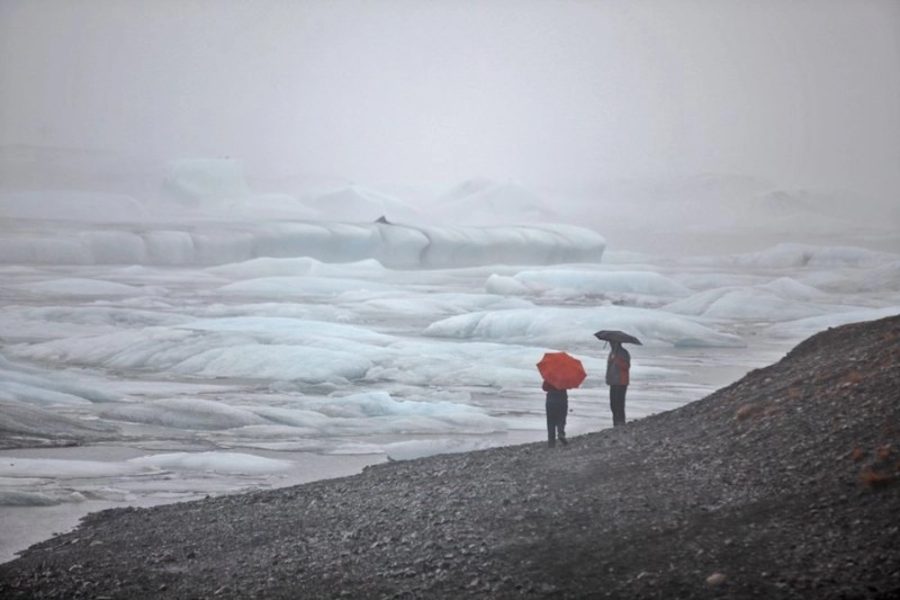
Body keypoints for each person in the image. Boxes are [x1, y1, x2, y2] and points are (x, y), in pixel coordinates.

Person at [605, 341, 631, 426]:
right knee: (613, 403)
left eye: (611, 343)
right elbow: (609, 367)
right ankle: (615, 421)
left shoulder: (623, 353)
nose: (610, 344)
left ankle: (620, 421)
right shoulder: (612, 353)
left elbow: (626, 366)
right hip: (613, 381)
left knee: (619, 402)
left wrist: (617, 360)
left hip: (621, 381)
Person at [542, 380, 568, 447]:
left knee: (550, 422)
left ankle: (551, 442)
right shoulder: (565, 377)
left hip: (551, 400)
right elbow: (569, 386)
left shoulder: (550, 377)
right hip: (562, 399)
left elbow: (544, 388)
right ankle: (560, 432)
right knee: (561, 418)